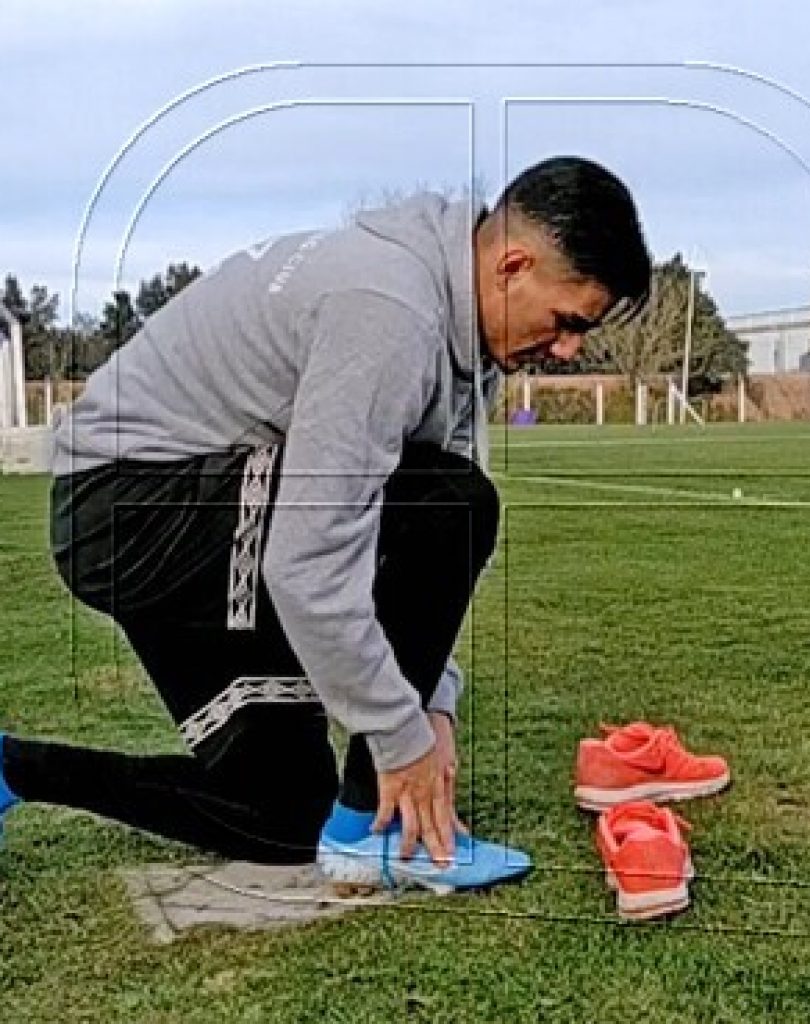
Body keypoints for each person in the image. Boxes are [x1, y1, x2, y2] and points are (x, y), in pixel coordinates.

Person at [0, 156, 651, 888]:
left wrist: (433, 703)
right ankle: (371, 823)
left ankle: (12, 769)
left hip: (177, 515)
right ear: (514, 264)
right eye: (566, 323)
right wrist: (402, 743)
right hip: (126, 513)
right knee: (453, 503)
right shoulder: (390, 307)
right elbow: (315, 558)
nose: (565, 352)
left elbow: (420, 567)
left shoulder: (467, 343)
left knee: (279, 814)